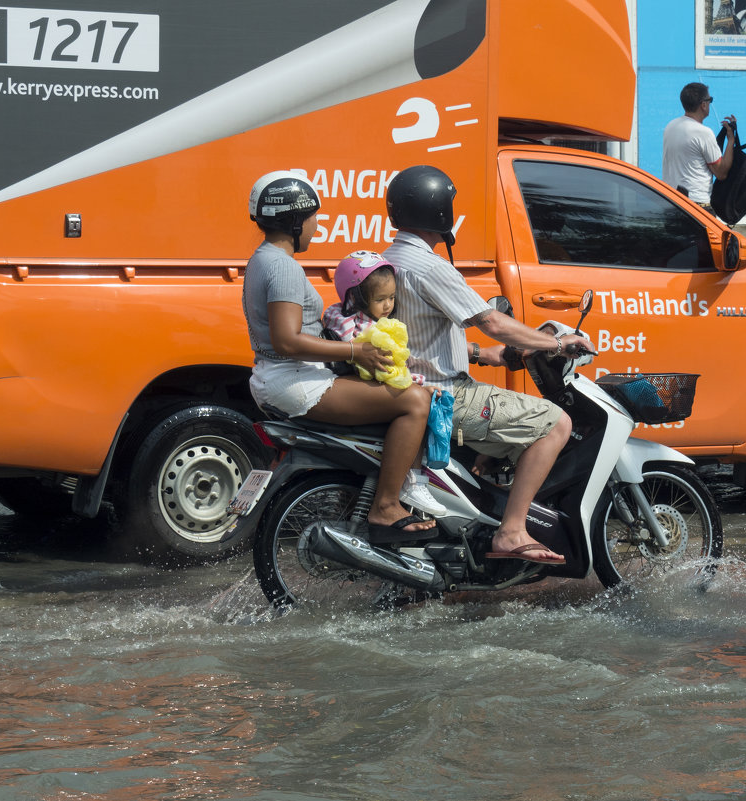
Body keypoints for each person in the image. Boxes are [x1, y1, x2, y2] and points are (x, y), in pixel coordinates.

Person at [382, 165, 592, 566]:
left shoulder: (390, 259)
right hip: (446, 395)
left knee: (510, 429)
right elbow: (491, 320)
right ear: (439, 211)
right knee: (557, 423)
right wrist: (557, 342)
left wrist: (482, 354)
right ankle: (511, 531)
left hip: (414, 384)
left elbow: (419, 332)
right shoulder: (430, 267)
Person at [241, 171, 436, 543]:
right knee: (415, 401)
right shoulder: (281, 266)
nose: (317, 226)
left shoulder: (262, 259)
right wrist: (355, 349)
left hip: (282, 377)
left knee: (393, 388)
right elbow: (288, 341)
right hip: (295, 379)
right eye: (313, 217)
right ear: (295, 220)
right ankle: (387, 506)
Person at [321, 250, 445, 516]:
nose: (388, 305)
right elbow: (386, 368)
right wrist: (418, 383)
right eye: (380, 299)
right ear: (356, 297)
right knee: (418, 405)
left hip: (360, 382)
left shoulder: (347, 316)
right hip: (363, 383)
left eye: (391, 298)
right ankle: (411, 481)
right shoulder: (363, 329)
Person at [662, 82, 738, 209]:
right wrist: (731, 140)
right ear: (703, 105)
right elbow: (721, 172)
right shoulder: (703, 133)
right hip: (696, 205)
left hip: (671, 201)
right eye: (710, 100)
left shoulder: (671, 126)